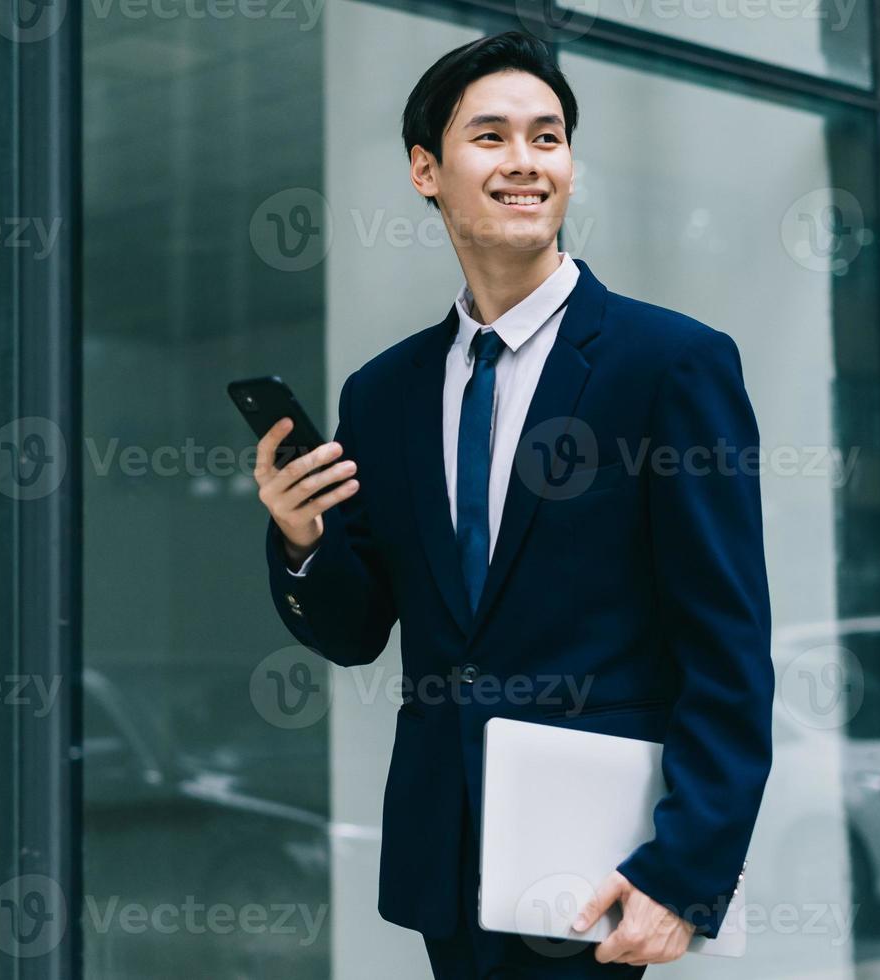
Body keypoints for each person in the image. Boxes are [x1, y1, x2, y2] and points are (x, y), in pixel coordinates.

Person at [253, 31, 772, 978]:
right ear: (426, 170)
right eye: (488, 137)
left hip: (601, 863)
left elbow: (727, 648)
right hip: (443, 857)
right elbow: (359, 628)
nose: (525, 161)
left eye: (548, 137)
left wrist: (686, 872)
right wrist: (301, 538)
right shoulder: (384, 393)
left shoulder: (670, 366)